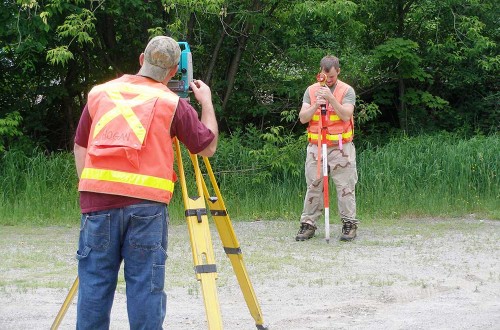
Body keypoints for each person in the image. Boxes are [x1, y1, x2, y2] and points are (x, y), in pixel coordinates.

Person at [73, 36, 218, 329]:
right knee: (145, 287)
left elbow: (80, 145)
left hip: (97, 204)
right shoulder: (171, 103)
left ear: (141, 59)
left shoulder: (99, 93)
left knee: (94, 286)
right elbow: (206, 147)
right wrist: (207, 103)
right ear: (175, 71)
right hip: (146, 208)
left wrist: (93, 188)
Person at [295, 55, 358, 242]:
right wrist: (316, 104)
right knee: (313, 186)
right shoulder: (311, 90)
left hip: (341, 148)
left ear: (338, 71)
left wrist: (331, 98)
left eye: (331, 76)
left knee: (345, 187)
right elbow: (303, 118)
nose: (328, 79)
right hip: (316, 147)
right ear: (320, 72)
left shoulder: (347, 90)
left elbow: (346, 115)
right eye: (325, 75)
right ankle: (308, 224)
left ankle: (349, 224)